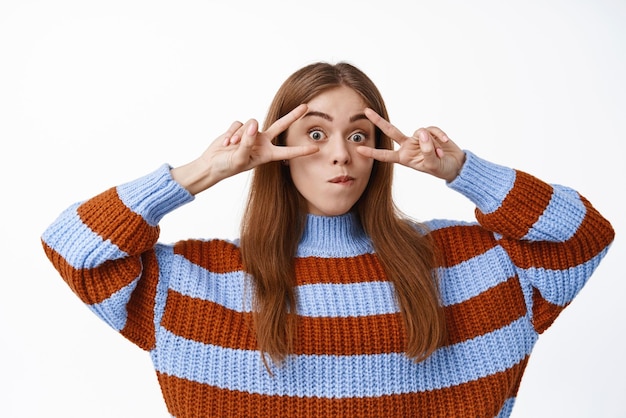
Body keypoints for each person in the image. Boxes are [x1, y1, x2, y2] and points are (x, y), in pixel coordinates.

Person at [41, 62, 614, 418]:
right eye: (314, 134)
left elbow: (584, 235)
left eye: (359, 135)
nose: (340, 154)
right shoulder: (201, 280)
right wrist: (204, 170)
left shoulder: (468, 264)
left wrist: (463, 170)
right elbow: (71, 245)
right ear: (276, 148)